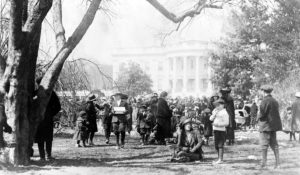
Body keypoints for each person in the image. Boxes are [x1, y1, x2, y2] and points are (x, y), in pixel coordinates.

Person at [35, 78, 61, 161]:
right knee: (48, 137)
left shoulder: (35, 93)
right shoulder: (51, 93)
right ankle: (48, 156)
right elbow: (58, 107)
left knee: (40, 138)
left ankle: (42, 157)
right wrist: (50, 113)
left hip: (38, 119)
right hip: (47, 119)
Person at [258, 85, 282, 169]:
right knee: (274, 145)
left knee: (264, 145)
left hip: (265, 125)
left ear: (263, 91)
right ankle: (278, 164)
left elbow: (262, 114)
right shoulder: (274, 100)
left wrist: (257, 118)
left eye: (261, 91)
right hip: (273, 126)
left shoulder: (264, 101)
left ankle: (264, 164)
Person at [209, 99, 229, 164]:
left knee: (220, 145)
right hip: (215, 130)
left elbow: (226, 123)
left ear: (223, 105)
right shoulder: (215, 111)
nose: (217, 107)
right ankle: (219, 158)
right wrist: (214, 114)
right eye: (216, 105)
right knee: (216, 145)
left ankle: (220, 159)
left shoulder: (224, 113)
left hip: (221, 130)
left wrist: (217, 124)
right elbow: (210, 119)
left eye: (218, 105)